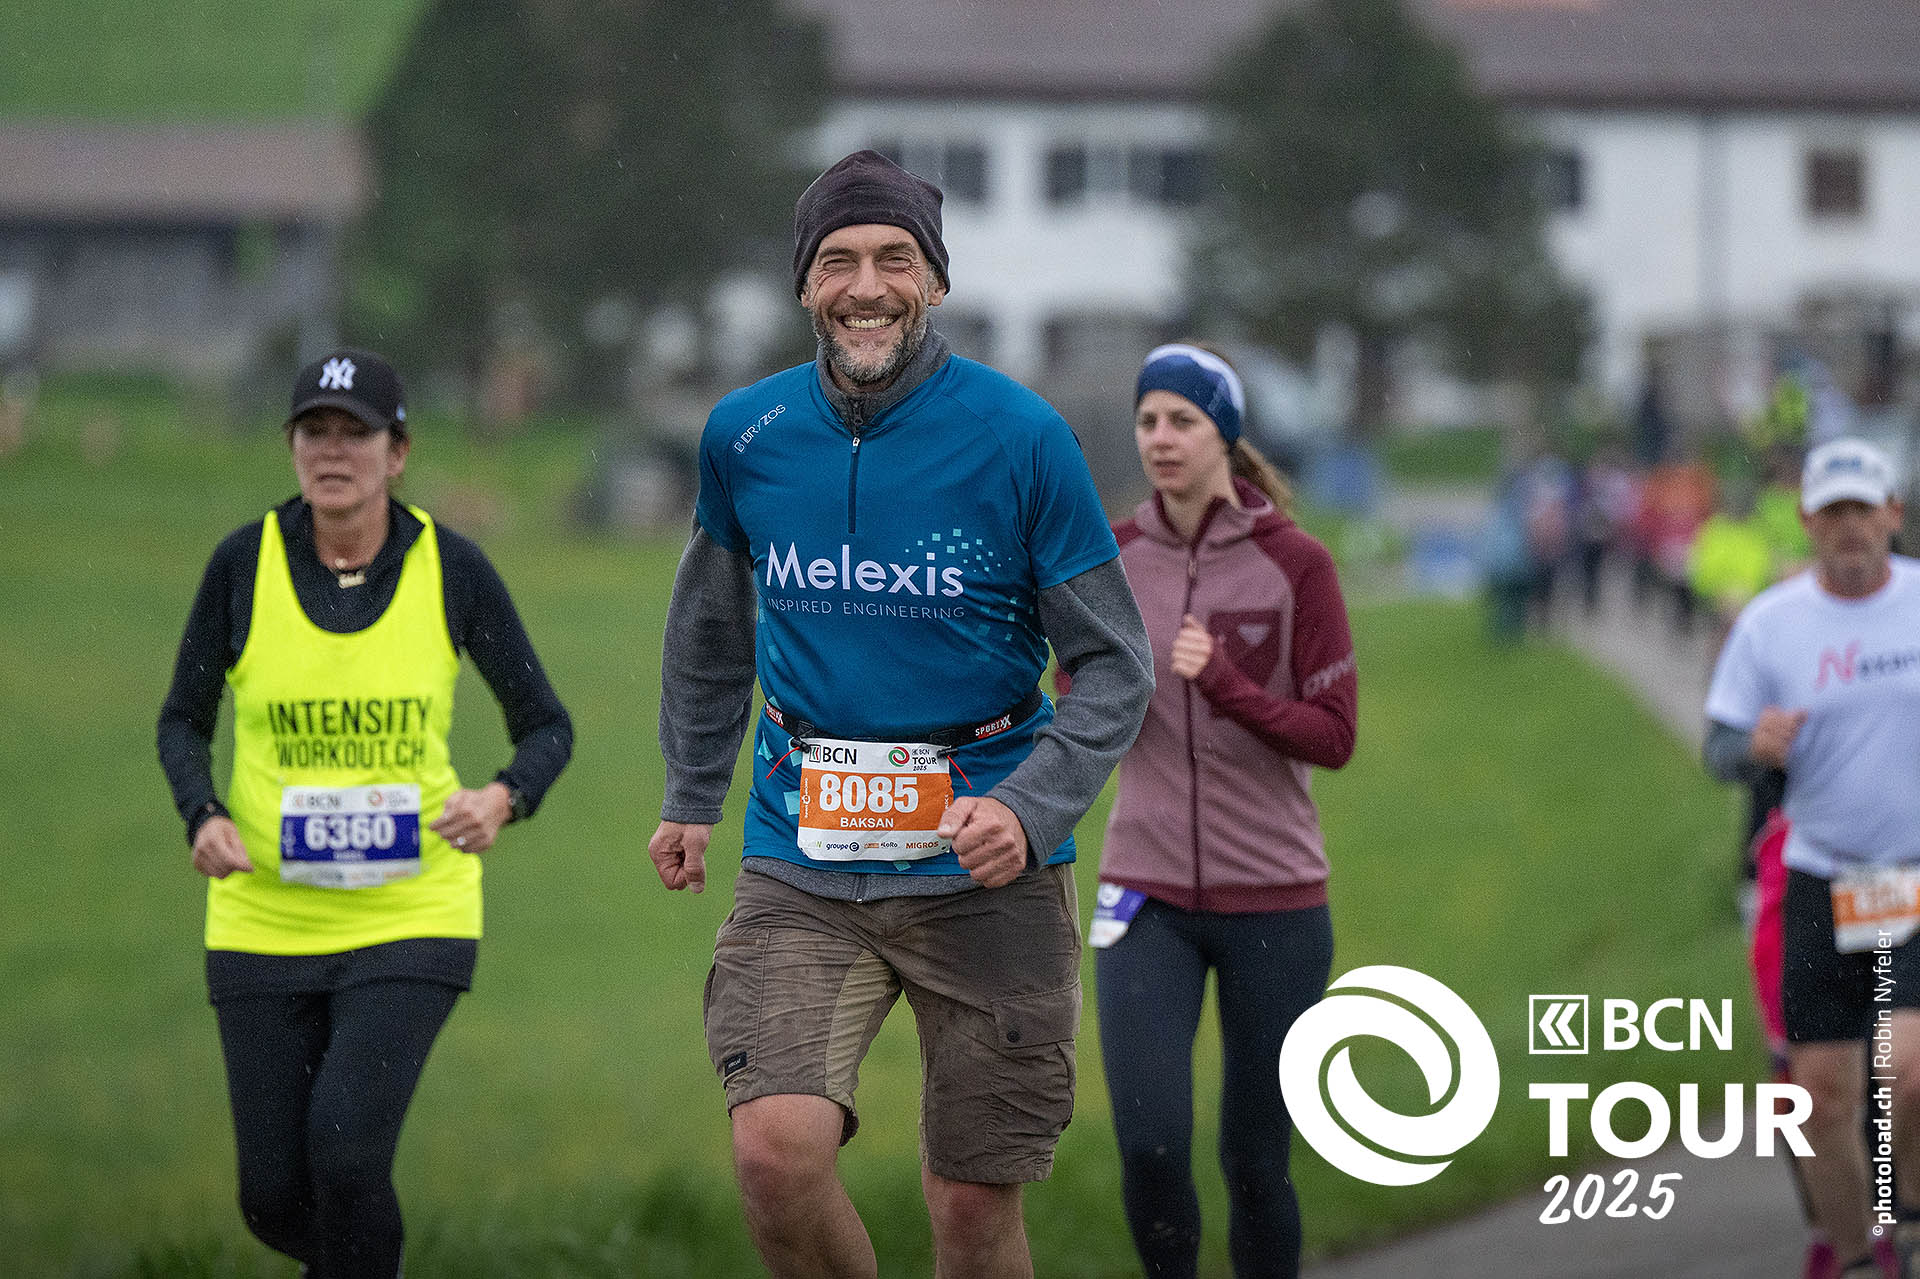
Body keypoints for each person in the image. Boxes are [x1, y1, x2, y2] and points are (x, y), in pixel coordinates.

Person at [647, 149, 1153, 1279]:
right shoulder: (746, 436)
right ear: (804, 286)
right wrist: (691, 793)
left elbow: (1115, 663)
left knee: (971, 1204)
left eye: (894, 259)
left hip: (986, 863)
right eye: (837, 261)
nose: (865, 286)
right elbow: (710, 631)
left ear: (936, 280)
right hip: (803, 849)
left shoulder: (1023, 437)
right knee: (775, 1157)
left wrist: (1028, 809)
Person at [156, 349, 573, 1278]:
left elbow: (546, 723)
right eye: (315, 430)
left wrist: (503, 796)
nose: (333, 450)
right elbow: (182, 718)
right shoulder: (242, 564)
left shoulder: (452, 568)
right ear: (291, 446)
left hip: (411, 911)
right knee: (273, 1197)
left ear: (399, 452)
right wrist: (202, 813)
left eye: (357, 432)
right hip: (263, 914)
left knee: (346, 1154)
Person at [1081, 345, 1356, 1279]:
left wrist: (1228, 685)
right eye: (1147, 420)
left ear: (1225, 436)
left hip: (1276, 899)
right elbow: (1081, 697)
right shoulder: (1111, 556)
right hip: (1141, 893)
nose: (1161, 438)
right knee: (1151, 1146)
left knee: (1255, 1161)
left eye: (1183, 421)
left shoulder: (1297, 563)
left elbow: (1334, 734)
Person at [1704, 438, 1920, 1279]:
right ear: (1806, 521)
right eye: (1833, 513)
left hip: (1914, 874)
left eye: (1863, 510)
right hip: (1821, 875)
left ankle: (1910, 1222)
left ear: (1893, 513)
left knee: (1906, 1071)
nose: (1849, 527)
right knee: (1818, 1096)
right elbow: (1719, 747)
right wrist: (1751, 746)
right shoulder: (1771, 623)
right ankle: (1862, 1254)